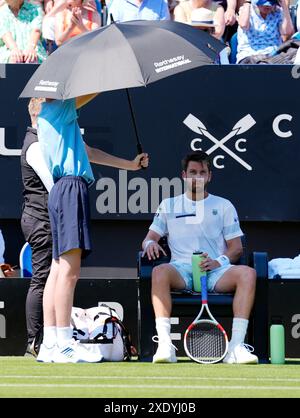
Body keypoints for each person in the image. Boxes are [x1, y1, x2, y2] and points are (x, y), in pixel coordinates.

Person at [35, 95, 149, 363]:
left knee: (57, 268)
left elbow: (88, 152)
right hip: (70, 187)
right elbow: (91, 88)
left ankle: (50, 342)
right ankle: (64, 342)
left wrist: (129, 165)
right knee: (69, 271)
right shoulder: (58, 107)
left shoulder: (51, 116)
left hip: (61, 189)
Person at [142, 151, 258, 364]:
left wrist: (217, 262)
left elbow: (236, 248)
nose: (197, 177)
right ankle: (165, 345)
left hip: (215, 272)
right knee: (159, 272)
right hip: (181, 270)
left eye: (202, 172)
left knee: (248, 274)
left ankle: (236, 347)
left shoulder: (224, 205)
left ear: (209, 176)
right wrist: (150, 244)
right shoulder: (168, 205)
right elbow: (149, 238)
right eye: (193, 172)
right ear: (184, 175)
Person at [21, 98, 55, 357]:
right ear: (38, 115)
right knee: (41, 279)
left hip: (44, 218)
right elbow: (54, 185)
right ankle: (35, 340)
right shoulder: (34, 146)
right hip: (39, 220)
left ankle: (49, 337)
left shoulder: (44, 142)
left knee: (50, 278)